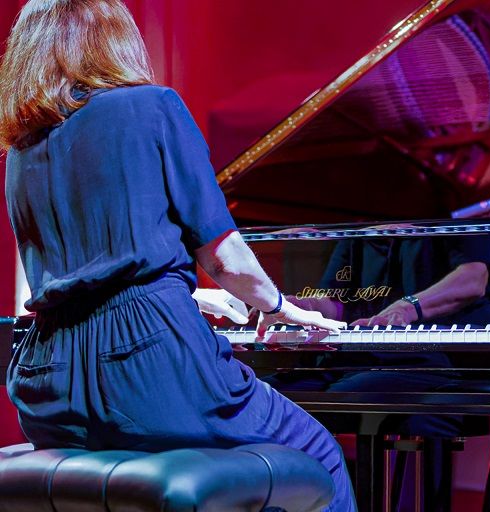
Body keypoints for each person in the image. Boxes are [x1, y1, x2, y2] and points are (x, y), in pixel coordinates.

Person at [0, 1, 355, 510]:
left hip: (48, 381)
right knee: (318, 453)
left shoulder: (22, 149)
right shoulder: (153, 106)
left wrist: (185, 298)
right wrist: (279, 306)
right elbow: (225, 259)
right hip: (149, 370)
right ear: (113, 38)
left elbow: (73, 278)